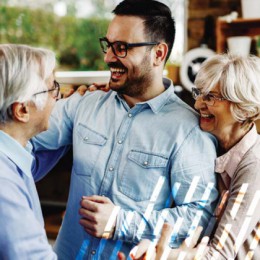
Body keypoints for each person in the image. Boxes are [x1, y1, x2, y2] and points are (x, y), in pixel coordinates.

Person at [31, 0, 218, 258]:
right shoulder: (84, 104)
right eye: (108, 45)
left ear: (158, 54)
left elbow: (200, 216)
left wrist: (122, 222)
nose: (108, 57)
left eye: (121, 48)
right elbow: (22, 137)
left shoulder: (188, 130)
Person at [122, 53, 260, 260]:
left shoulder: (254, 166)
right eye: (199, 93)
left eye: (211, 97)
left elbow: (220, 254)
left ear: (243, 107)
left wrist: (159, 255)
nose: (198, 105)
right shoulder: (210, 144)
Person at [0, 44, 59, 259]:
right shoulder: (3, 185)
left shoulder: (12, 155)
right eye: (52, 89)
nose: (57, 98)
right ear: (22, 110)